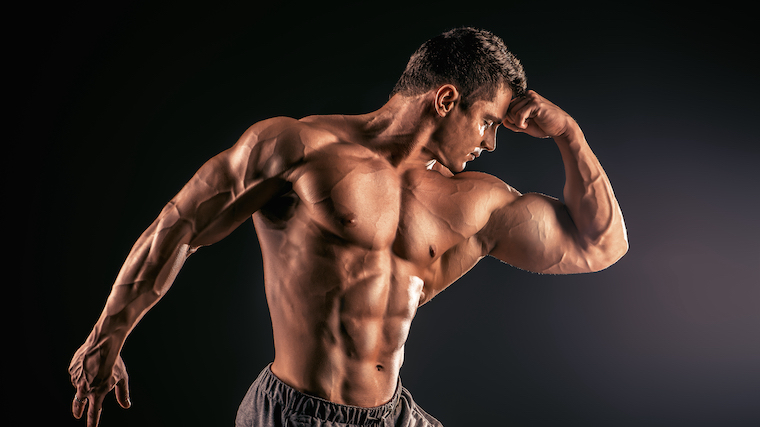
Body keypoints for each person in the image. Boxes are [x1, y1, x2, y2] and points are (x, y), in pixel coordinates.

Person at [69, 27, 628, 426]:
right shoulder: (298, 147)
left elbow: (602, 244)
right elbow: (180, 225)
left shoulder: (479, 202)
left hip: (390, 415)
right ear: (446, 98)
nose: (491, 142)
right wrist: (105, 339)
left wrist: (569, 134)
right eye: (486, 121)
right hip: (293, 414)